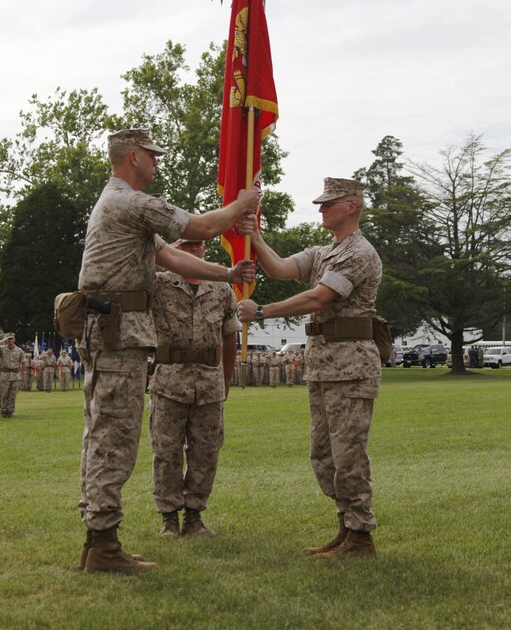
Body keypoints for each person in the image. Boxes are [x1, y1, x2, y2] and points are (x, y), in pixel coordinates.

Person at [77, 127, 258, 575]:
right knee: (111, 441)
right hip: (118, 334)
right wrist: (242, 204)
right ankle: (102, 545)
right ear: (133, 156)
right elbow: (201, 227)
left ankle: (101, 542)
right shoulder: (130, 203)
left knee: (111, 437)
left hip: (120, 334)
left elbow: (177, 258)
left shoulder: (122, 206)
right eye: (152, 156)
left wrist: (227, 274)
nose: (157, 162)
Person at [238, 177, 383, 559]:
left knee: (348, 452)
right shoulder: (324, 252)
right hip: (324, 366)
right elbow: (281, 269)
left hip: (351, 367)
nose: (321, 209)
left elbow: (320, 297)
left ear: (352, 206)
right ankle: (346, 526)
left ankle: (360, 537)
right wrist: (254, 237)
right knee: (324, 454)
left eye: (328, 203)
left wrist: (264, 311)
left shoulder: (359, 253)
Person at [150, 238, 239, 539]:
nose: (191, 250)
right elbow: (133, 274)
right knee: (166, 452)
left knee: (206, 451)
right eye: (184, 245)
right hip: (169, 382)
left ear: (204, 249)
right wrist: (164, 252)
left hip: (209, 383)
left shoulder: (221, 286)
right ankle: (169, 518)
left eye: (196, 245)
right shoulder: (159, 283)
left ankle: (194, 516)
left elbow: (230, 338)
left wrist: (226, 379)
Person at [0, 332, 26, 417]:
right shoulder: (1, 349)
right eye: (8, 339)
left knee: (12, 394)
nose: (10, 340)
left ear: (14, 340)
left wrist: (21, 375)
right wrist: (2, 340)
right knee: (3, 394)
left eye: (11, 339)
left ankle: (10, 412)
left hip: (15, 375)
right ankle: (3, 412)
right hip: (4, 374)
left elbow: (23, 363)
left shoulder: (19, 350)